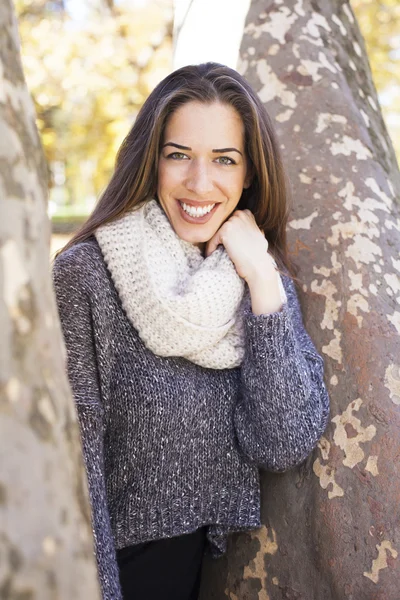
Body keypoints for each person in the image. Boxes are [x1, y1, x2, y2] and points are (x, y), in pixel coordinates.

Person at [52, 62, 330, 600]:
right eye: (178, 155)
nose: (200, 183)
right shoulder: (87, 275)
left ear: (249, 173)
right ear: (150, 161)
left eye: (224, 160)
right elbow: (72, 475)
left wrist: (263, 283)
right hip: (117, 580)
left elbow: (283, 441)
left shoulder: (253, 275)